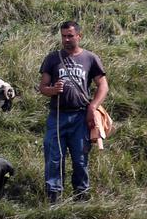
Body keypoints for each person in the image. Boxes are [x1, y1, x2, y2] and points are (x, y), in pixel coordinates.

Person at [38, 20, 108, 204]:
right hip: (58, 116)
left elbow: (103, 85)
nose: (66, 40)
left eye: (70, 36)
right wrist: (52, 90)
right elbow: (43, 87)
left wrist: (92, 107)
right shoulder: (53, 58)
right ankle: (54, 197)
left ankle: (81, 197)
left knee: (80, 158)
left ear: (79, 36)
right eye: (63, 36)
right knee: (53, 157)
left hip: (80, 116)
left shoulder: (90, 58)